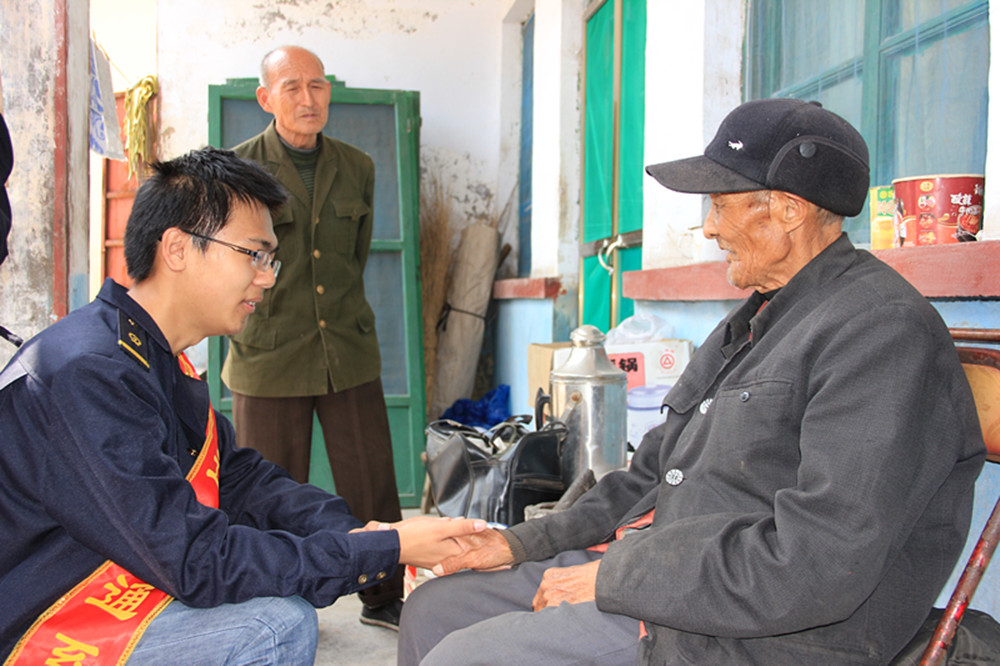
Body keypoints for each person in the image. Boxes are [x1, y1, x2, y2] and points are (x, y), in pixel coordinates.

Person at [397, 98, 987, 665]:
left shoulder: (880, 332)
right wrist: (519, 543)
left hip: (756, 631)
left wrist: (615, 578)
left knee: (465, 657)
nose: (708, 228)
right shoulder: (758, 317)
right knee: (435, 609)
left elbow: (822, 561)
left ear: (789, 209)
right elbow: (650, 476)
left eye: (721, 206)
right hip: (666, 572)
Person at [0, 147, 485, 665]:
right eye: (253, 254)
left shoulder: (151, 358)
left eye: (270, 259)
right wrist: (384, 550)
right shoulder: (90, 374)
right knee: (272, 626)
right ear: (178, 249)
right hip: (44, 621)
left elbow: (241, 481)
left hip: (114, 589)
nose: (268, 277)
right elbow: (196, 560)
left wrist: (363, 534)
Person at [221, 44, 406, 630]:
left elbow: (352, 256)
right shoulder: (238, 170)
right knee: (267, 489)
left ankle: (384, 597)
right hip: (269, 352)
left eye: (318, 86)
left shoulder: (357, 166)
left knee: (371, 480)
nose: (308, 98)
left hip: (346, 347)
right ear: (266, 98)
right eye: (293, 87)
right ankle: (273, 605)